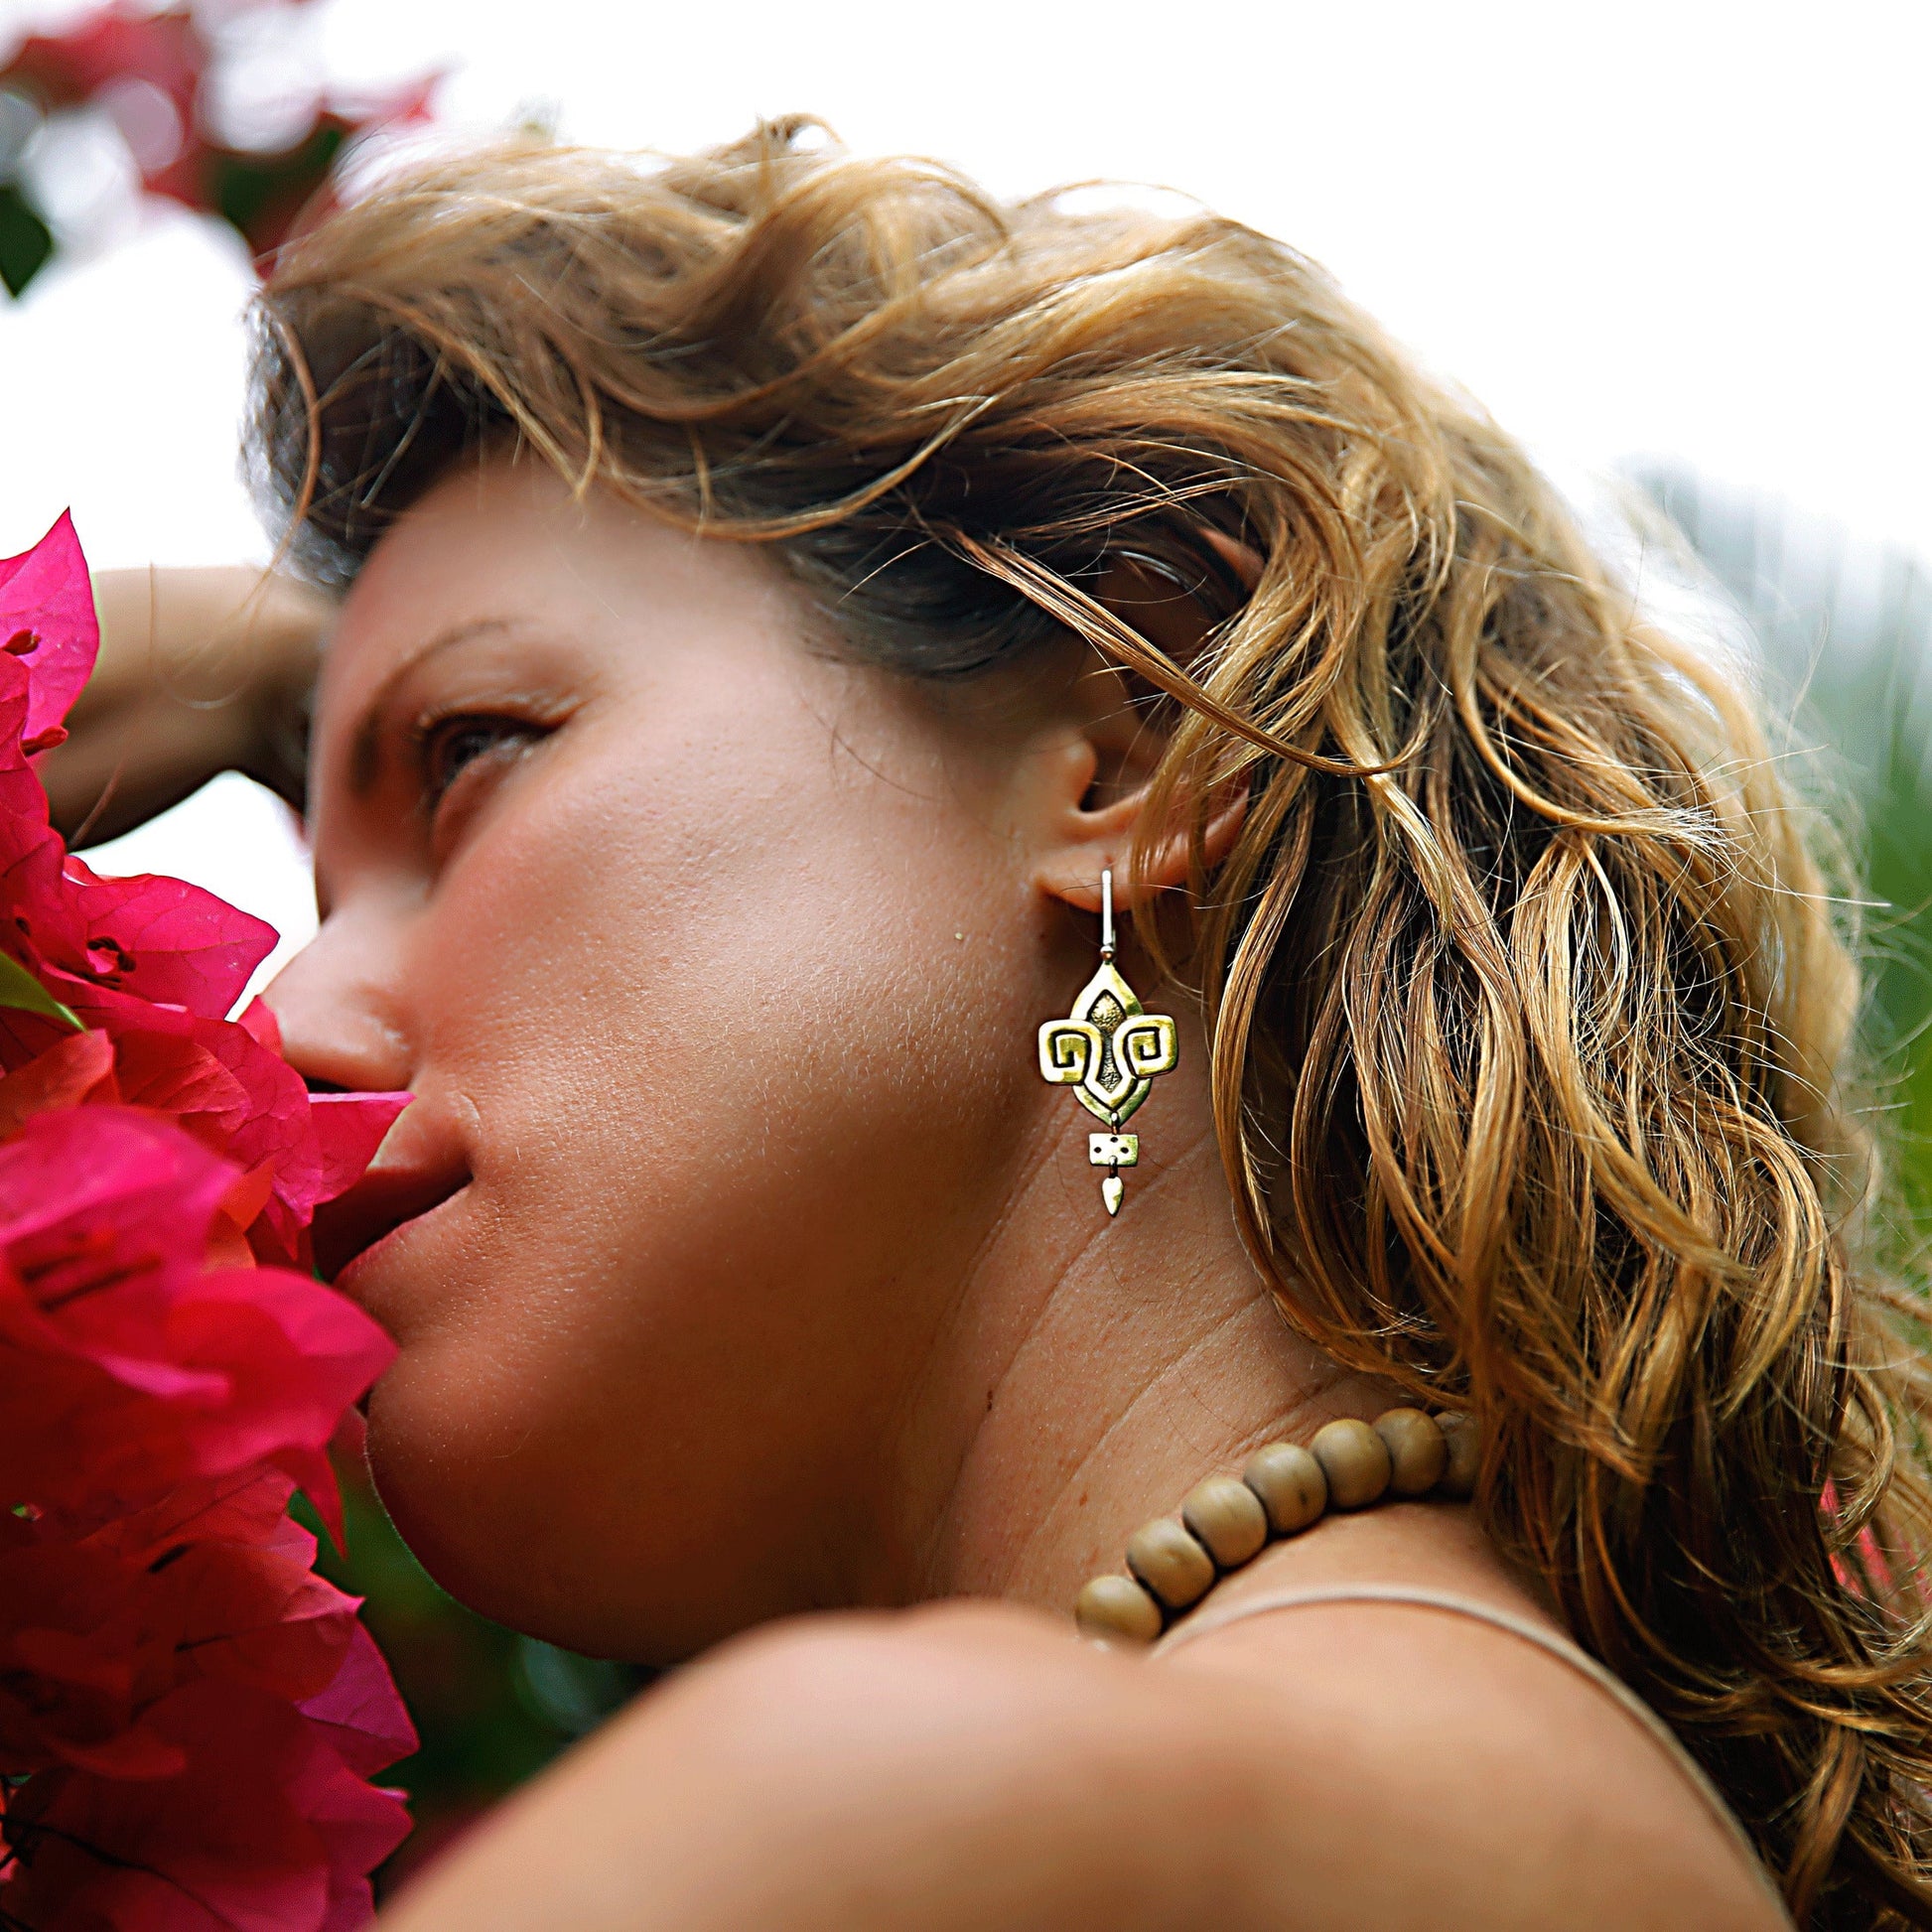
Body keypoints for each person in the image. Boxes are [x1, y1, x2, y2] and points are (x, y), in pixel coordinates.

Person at [45, 119, 1932, 1929]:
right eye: (319, 891)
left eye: (475, 759)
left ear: (1131, 741)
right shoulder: (1442, 1774)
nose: (289, 1010)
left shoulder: (939, 1816)